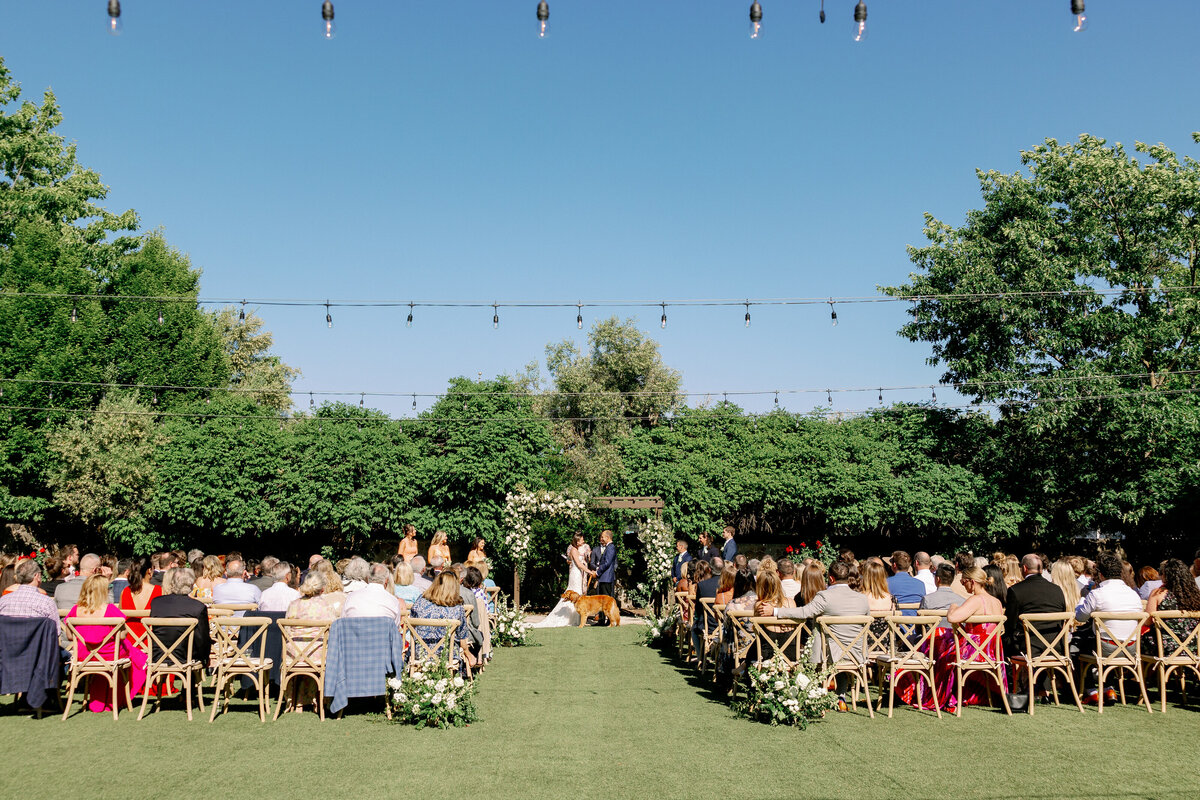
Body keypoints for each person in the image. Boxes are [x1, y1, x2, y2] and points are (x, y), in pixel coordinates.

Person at [759, 561, 868, 711]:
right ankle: (841, 697)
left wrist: (775, 611)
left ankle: (815, 693)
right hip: (857, 654)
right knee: (839, 647)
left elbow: (804, 612)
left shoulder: (825, 596)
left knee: (824, 646)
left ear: (830, 578)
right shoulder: (862, 599)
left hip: (830, 655)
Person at [66, 574, 147, 713]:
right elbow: (122, 635)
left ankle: (100, 700)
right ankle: (120, 696)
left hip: (84, 655)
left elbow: (69, 636)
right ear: (103, 591)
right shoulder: (110, 610)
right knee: (130, 649)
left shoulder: (75, 610)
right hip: (108, 656)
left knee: (127, 648)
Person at [1074, 551, 1142, 657]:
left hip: (1105, 649)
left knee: (1077, 643)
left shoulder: (1097, 594)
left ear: (1101, 575)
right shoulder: (1134, 595)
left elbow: (1080, 617)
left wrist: (1083, 598)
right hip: (1132, 649)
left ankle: (1091, 673)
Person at [148, 567, 211, 671]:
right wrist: (205, 657)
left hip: (158, 655)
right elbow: (202, 639)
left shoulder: (156, 603)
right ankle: (191, 686)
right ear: (191, 585)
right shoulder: (198, 607)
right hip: (187, 657)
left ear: (172, 583)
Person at [1004, 555, 1066, 660]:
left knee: (1003, 641)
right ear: (1041, 569)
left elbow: (1010, 623)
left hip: (1027, 648)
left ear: (1024, 568)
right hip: (1057, 647)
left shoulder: (1016, 590)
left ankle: (1015, 676)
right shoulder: (1057, 590)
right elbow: (1062, 619)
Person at [409, 572, 473, 673]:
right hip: (447, 654)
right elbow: (462, 638)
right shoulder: (457, 609)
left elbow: (411, 622)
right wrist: (468, 654)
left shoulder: (420, 602)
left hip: (419, 652)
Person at [532, 534, 591, 628]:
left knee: (578, 594)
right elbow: (579, 564)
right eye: (581, 540)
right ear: (577, 541)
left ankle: (577, 618)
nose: (583, 541)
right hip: (576, 573)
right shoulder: (574, 550)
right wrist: (590, 571)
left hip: (578, 574)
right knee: (574, 593)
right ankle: (570, 618)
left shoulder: (576, 550)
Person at [1144, 558, 1200, 655]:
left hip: (1165, 648)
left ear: (1167, 576)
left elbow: (1147, 621)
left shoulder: (1158, 594)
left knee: (1142, 643)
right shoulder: (1195, 596)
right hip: (1193, 647)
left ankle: (1154, 670)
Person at [0, 558, 61, 637]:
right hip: (37, 648)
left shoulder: (3, 601)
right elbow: (56, 632)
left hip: (8, 648)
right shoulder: (46, 602)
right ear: (37, 576)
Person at [119, 556, 161, 648]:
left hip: (128, 647)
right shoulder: (160, 591)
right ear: (149, 571)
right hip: (152, 647)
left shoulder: (125, 592)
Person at [590, 530, 618, 625]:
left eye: (603, 537)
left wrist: (597, 572)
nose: (601, 538)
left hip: (607, 578)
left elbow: (607, 563)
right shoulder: (608, 547)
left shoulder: (611, 547)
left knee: (607, 601)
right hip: (604, 578)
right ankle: (601, 621)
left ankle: (610, 621)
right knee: (601, 601)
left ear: (607, 537)